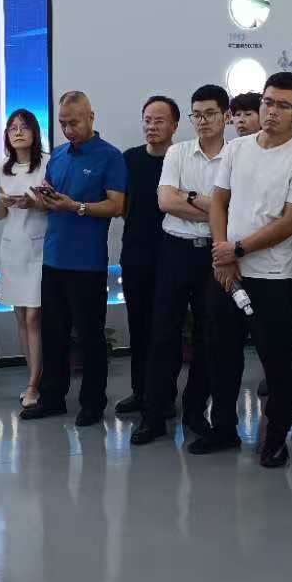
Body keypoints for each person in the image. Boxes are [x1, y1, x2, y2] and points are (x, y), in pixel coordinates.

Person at [203, 72, 292, 467]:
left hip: (272, 278)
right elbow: (218, 202)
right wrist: (223, 254)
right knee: (221, 355)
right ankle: (223, 428)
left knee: (277, 363)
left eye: (283, 105)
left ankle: (274, 439)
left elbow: (290, 222)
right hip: (227, 271)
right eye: (268, 102)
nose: (272, 111)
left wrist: (236, 250)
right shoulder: (237, 149)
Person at [23, 91, 128, 427]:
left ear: (91, 117)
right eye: (63, 123)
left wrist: (76, 207)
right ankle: (52, 398)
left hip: (87, 263)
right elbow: (52, 198)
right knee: (53, 333)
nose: (68, 130)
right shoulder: (58, 155)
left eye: (74, 123)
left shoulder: (110, 156)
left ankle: (93, 403)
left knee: (89, 336)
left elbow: (117, 206)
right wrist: (39, 199)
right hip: (53, 258)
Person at [131, 85, 225, 446]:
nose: (203, 121)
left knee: (208, 336)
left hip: (212, 253)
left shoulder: (237, 156)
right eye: (197, 114)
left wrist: (192, 198)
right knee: (162, 334)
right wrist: (212, 206)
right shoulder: (178, 153)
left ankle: (195, 412)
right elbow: (166, 201)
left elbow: (234, 207)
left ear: (225, 116)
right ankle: (153, 415)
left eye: (210, 113)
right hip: (174, 250)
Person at [114, 96, 179, 417]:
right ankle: (140, 392)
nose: (151, 126)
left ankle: (164, 396)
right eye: (147, 120)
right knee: (138, 327)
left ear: (174, 126)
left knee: (166, 331)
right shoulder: (130, 158)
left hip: (171, 257)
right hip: (135, 255)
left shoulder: (180, 159)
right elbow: (122, 206)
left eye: (159, 121)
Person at [0, 109, 48, 407]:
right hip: (12, 248)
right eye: (12, 128)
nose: (18, 132)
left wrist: (33, 202)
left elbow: (52, 205)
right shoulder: (3, 168)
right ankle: (33, 378)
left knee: (34, 316)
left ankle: (34, 384)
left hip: (39, 247)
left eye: (24, 127)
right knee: (21, 317)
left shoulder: (47, 163)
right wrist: (2, 202)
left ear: (34, 132)